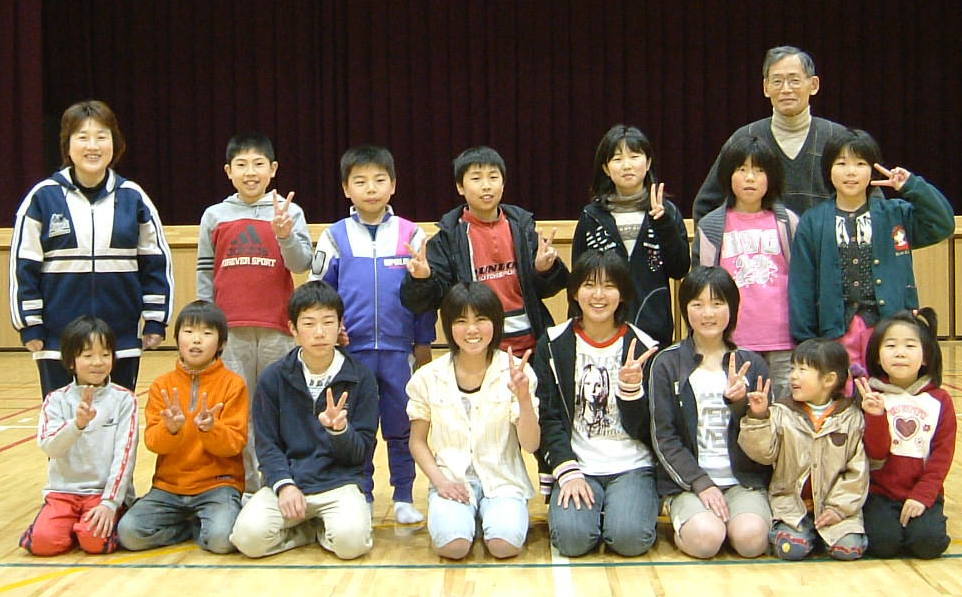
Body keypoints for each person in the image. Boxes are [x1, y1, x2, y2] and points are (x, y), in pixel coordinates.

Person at [10, 99, 174, 399]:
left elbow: (155, 262)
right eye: (82, 137)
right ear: (67, 144)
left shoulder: (133, 197)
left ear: (115, 143)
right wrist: (29, 325)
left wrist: (155, 319)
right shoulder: (42, 198)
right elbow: (24, 266)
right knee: (64, 422)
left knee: (116, 419)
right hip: (57, 339)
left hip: (120, 338)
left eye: (101, 136)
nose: (92, 146)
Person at [312, 145, 436, 523]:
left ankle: (404, 497)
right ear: (346, 188)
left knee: (402, 426)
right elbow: (320, 294)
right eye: (361, 181)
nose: (371, 189)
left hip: (400, 351)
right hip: (352, 352)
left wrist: (424, 341)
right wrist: (331, 333)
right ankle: (362, 494)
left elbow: (426, 295)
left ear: (393, 185)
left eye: (379, 180)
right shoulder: (334, 237)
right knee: (358, 426)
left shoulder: (412, 235)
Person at [197, 132, 313, 493]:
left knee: (280, 406)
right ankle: (246, 486)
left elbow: (302, 264)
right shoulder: (215, 215)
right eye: (242, 165)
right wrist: (207, 326)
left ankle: (282, 482)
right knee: (237, 410)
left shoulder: (290, 212)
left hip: (277, 328)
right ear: (228, 171)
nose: (251, 172)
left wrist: (285, 235)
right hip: (231, 331)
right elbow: (205, 273)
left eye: (259, 164)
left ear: (273, 169)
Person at [788, 128, 954, 377]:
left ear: (872, 170)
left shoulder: (894, 213)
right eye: (841, 163)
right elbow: (802, 284)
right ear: (828, 170)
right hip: (836, 331)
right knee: (844, 390)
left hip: (890, 329)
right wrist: (806, 340)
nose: (851, 172)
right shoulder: (813, 221)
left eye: (860, 164)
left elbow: (942, 224)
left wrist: (911, 185)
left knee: (888, 388)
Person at [229, 281, 376, 559]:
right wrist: (284, 485)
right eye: (309, 323)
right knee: (247, 539)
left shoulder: (360, 377)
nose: (319, 332)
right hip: (291, 483)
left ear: (340, 326)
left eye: (328, 322)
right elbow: (267, 445)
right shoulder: (274, 378)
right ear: (293, 329)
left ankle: (323, 529)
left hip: (340, 484)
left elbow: (361, 454)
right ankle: (306, 532)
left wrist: (340, 431)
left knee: (351, 544)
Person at [536, 250, 661, 557]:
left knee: (630, 539)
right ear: (574, 292)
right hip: (578, 465)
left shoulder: (644, 347)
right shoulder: (553, 344)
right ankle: (597, 511)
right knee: (572, 540)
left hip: (632, 465)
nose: (599, 295)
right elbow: (548, 417)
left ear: (623, 294)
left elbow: (649, 430)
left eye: (609, 286)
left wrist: (631, 391)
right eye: (589, 285)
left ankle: (621, 508)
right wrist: (567, 470)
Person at [407, 282, 538, 559]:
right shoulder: (427, 377)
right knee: (453, 547)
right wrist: (441, 482)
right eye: (461, 321)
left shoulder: (517, 372)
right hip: (451, 479)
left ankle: (487, 518)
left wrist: (524, 399)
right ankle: (466, 520)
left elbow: (531, 444)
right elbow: (417, 442)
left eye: (481, 320)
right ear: (449, 326)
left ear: (496, 323)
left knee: (504, 546)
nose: (472, 330)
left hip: (503, 481)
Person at [648, 266, 771, 559]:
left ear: (732, 308)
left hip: (742, 482)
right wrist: (700, 483)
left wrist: (744, 407)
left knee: (752, 541)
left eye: (717, 303)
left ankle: (733, 523)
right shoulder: (666, 363)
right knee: (705, 540)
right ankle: (695, 524)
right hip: (689, 484)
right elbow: (663, 437)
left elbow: (768, 441)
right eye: (697, 304)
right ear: (685, 309)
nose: (708, 313)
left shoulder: (752, 364)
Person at [401, 146, 569, 354]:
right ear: (460, 187)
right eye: (476, 178)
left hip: (532, 346)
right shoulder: (448, 238)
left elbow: (550, 288)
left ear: (503, 183)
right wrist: (422, 279)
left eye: (493, 177)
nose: (486, 186)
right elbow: (422, 302)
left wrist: (544, 270)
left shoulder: (522, 228)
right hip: (476, 350)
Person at [117, 301, 249, 554]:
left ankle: (204, 526)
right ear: (177, 338)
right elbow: (153, 442)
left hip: (218, 486)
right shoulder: (162, 385)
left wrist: (212, 429)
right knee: (129, 534)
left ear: (221, 343)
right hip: (169, 487)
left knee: (222, 540)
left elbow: (235, 444)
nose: (196, 340)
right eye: (188, 332)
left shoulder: (233, 384)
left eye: (207, 333)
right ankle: (188, 529)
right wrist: (171, 430)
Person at [694, 46, 860, 222]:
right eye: (777, 81)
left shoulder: (839, 138)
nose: (786, 89)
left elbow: (869, 202)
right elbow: (706, 207)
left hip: (824, 240)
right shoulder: (745, 138)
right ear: (766, 87)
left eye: (794, 80)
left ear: (813, 85)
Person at [740, 338, 868, 561]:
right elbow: (762, 454)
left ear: (829, 379)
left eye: (802, 370)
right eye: (793, 369)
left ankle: (827, 535)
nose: (793, 376)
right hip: (792, 508)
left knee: (848, 550)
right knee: (791, 549)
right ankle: (803, 536)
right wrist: (758, 417)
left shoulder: (851, 418)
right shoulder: (781, 412)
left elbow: (857, 472)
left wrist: (838, 509)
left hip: (837, 510)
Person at [20, 316, 138, 555]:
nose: (98, 362)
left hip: (102, 495)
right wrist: (77, 425)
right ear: (71, 361)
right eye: (88, 355)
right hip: (62, 493)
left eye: (105, 354)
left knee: (94, 542)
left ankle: (91, 525)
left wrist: (110, 502)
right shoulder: (56, 400)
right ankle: (62, 525)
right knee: (44, 543)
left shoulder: (124, 399)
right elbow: (50, 447)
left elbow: (125, 457)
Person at [692, 135, 797, 400]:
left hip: (783, 340)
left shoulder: (788, 223)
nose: (750, 178)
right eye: (741, 169)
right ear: (728, 175)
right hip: (732, 340)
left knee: (784, 412)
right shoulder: (711, 227)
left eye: (759, 170)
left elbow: (804, 281)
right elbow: (701, 286)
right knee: (737, 411)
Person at [571, 125, 690, 347]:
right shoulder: (592, 216)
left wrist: (663, 224)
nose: (626, 165)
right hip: (601, 330)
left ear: (648, 162)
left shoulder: (666, 211)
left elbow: (680, 268)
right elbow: (578, 280)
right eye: (617, 159)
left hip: (654, 329)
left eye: (634, 156)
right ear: (606, 168)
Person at [857, 308, 956, 559]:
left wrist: (923, 496)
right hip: (880, 494)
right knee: (883, 545)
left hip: (922, 492)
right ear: (877, 356)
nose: (900, 353)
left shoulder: (940, 400)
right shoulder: (872, 396)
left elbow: (942, 457)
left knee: (927, 544)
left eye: (910, 346)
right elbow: (875, 453)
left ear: (926, 357)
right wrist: (875, 416)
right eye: (890, 345)